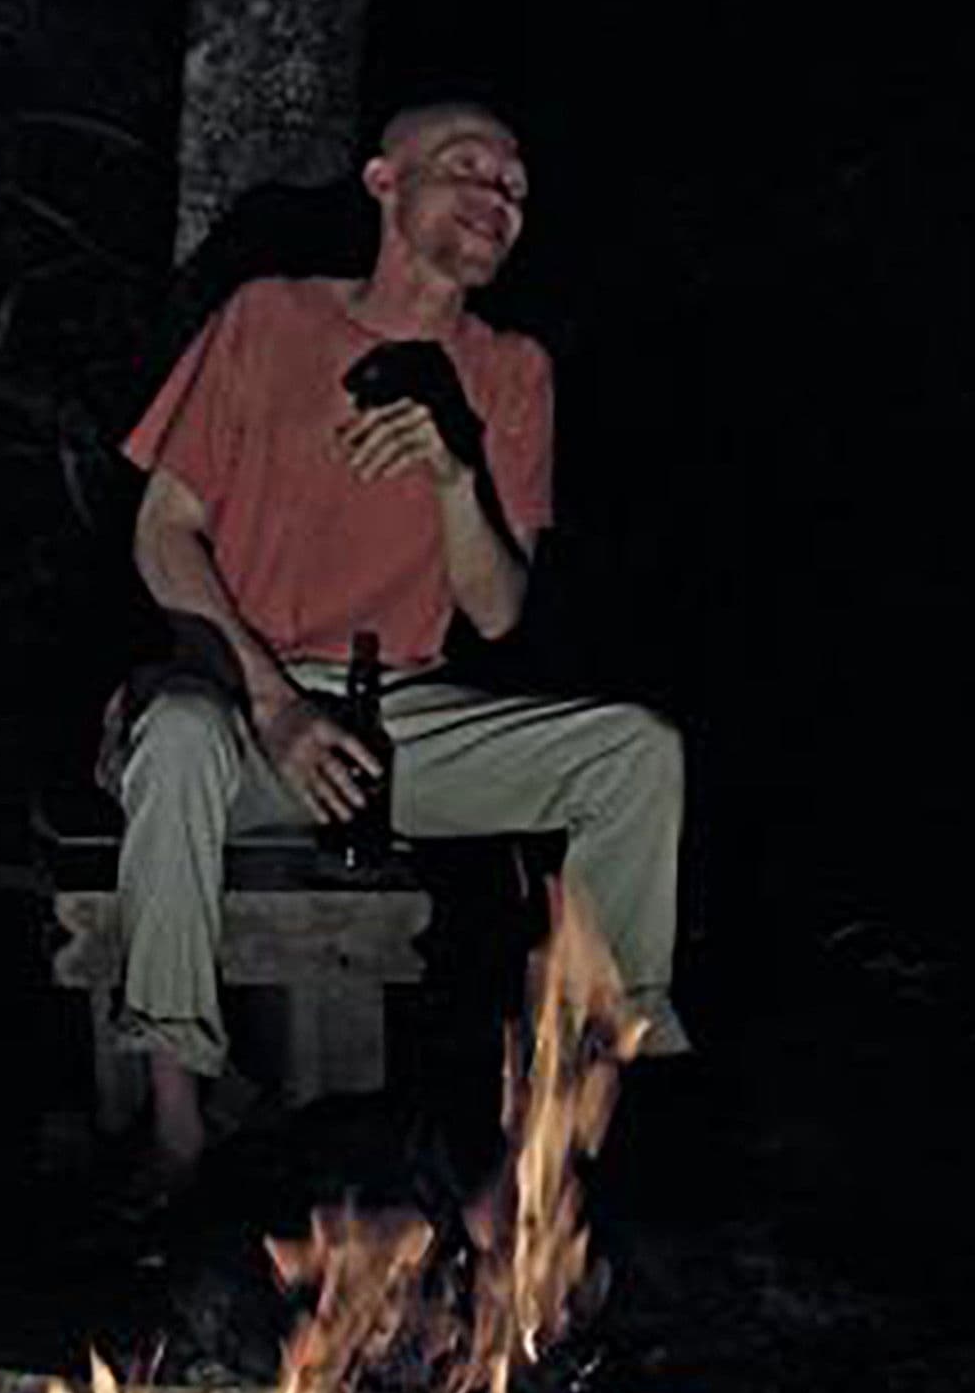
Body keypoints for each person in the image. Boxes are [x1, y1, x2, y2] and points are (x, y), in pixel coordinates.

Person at [114, 99, 689, 1184]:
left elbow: (497, 613)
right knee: (181, 736)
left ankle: (583, 1099)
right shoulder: (268, 319)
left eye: (514, 186)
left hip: (394, 721)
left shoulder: (511, 369)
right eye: (466, 168)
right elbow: (161, 533)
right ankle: (176, 1117)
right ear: (384, 182)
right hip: (232, 700)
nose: (496, 199)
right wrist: (273, 704)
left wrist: (452, 473)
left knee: (635, 751)